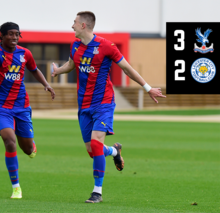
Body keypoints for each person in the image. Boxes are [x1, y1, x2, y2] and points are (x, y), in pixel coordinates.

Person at [52, 11, 166, 203]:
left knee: (96, 145)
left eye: (74, 23)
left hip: (103, 103)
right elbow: (72, 64)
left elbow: (127, 68)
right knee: (91, 151)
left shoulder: (106, 46)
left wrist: (147, 88)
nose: (72, 26)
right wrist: (57, 71)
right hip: (84, 105)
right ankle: (114, 151)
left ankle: (97, 192)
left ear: (83, 26)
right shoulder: (75, 45)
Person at [0, 22, 55, 199]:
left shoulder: (25, 53)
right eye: (10, 34)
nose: (14, 37)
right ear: (2, 36)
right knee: (9, 140)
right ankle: (16, 187)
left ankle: (31, 146)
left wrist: (46, 84)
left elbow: (34, 69)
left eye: (17, 34)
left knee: (28, 150)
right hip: (1, 107)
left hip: (21, 106)